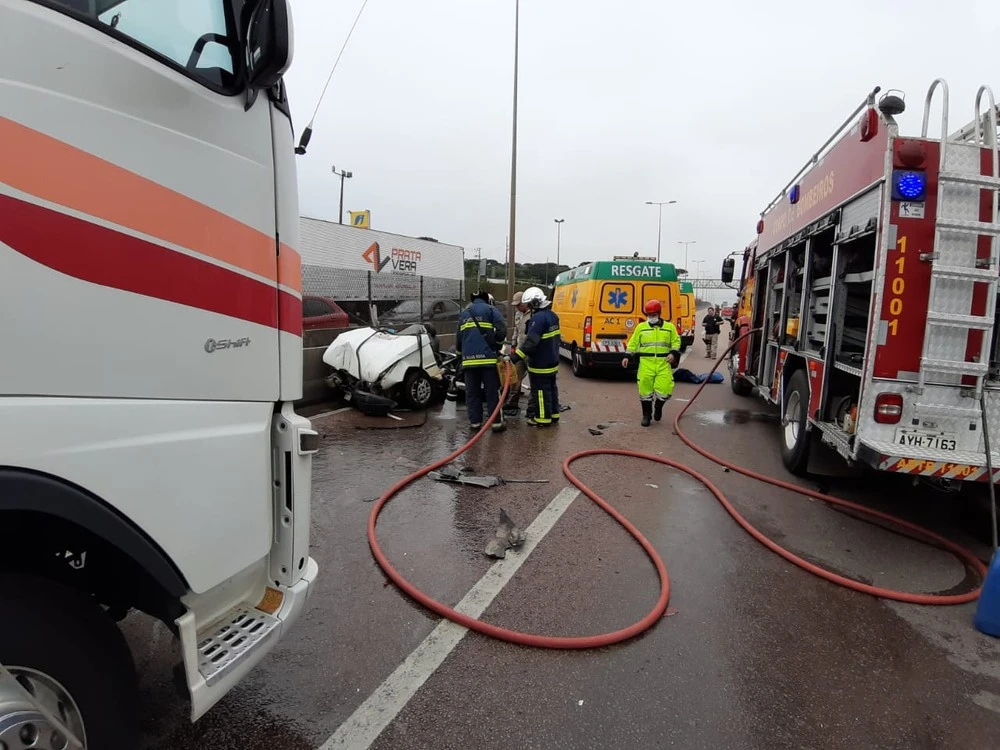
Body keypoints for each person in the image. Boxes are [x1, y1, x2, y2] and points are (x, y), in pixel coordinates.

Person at [622, 299, 681, 427]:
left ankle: (658, 407)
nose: (651, 317)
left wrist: (673, 353)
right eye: (649, 315)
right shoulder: (641, 327)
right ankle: (646, 415)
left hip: (663, 363)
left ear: (659, 313)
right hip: (646, 363)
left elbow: (676, 342)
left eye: (653, 315)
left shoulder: (669, 327)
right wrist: (627, 356)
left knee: (665, 390)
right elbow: (633, 343)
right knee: (645, 391)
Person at [509, 286, 560, 427]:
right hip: (552, 360)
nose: (529, 307)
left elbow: (531, 343)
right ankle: (554, 414)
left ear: (534, 303)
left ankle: (542, 419)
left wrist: (516, 357)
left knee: (541, 392)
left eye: (529, 304)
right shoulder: (553, 316)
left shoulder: (537, 319)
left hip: (540, 363)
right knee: (551, 388)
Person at [456, 290, 507, 432]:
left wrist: (460, 355)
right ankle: (496, 423)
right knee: (492, 392)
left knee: (472, 393)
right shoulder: (490, 310)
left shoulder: (464, 313)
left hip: (468, 361)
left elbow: (459, 337)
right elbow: (502, 328)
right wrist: (497, 345)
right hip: (487, 360)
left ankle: (475, 422)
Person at [503, 291, 533, 417]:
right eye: (515, 305)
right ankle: (512, 403)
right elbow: (516, 330)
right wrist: (513, 345)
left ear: (526, 303)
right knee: (515, 377)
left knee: (534, 379)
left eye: (519, 305)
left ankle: (532, 406)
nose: (517, 307)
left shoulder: (533, 315)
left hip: (530, 352)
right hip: (519, 351)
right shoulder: (518, 314)